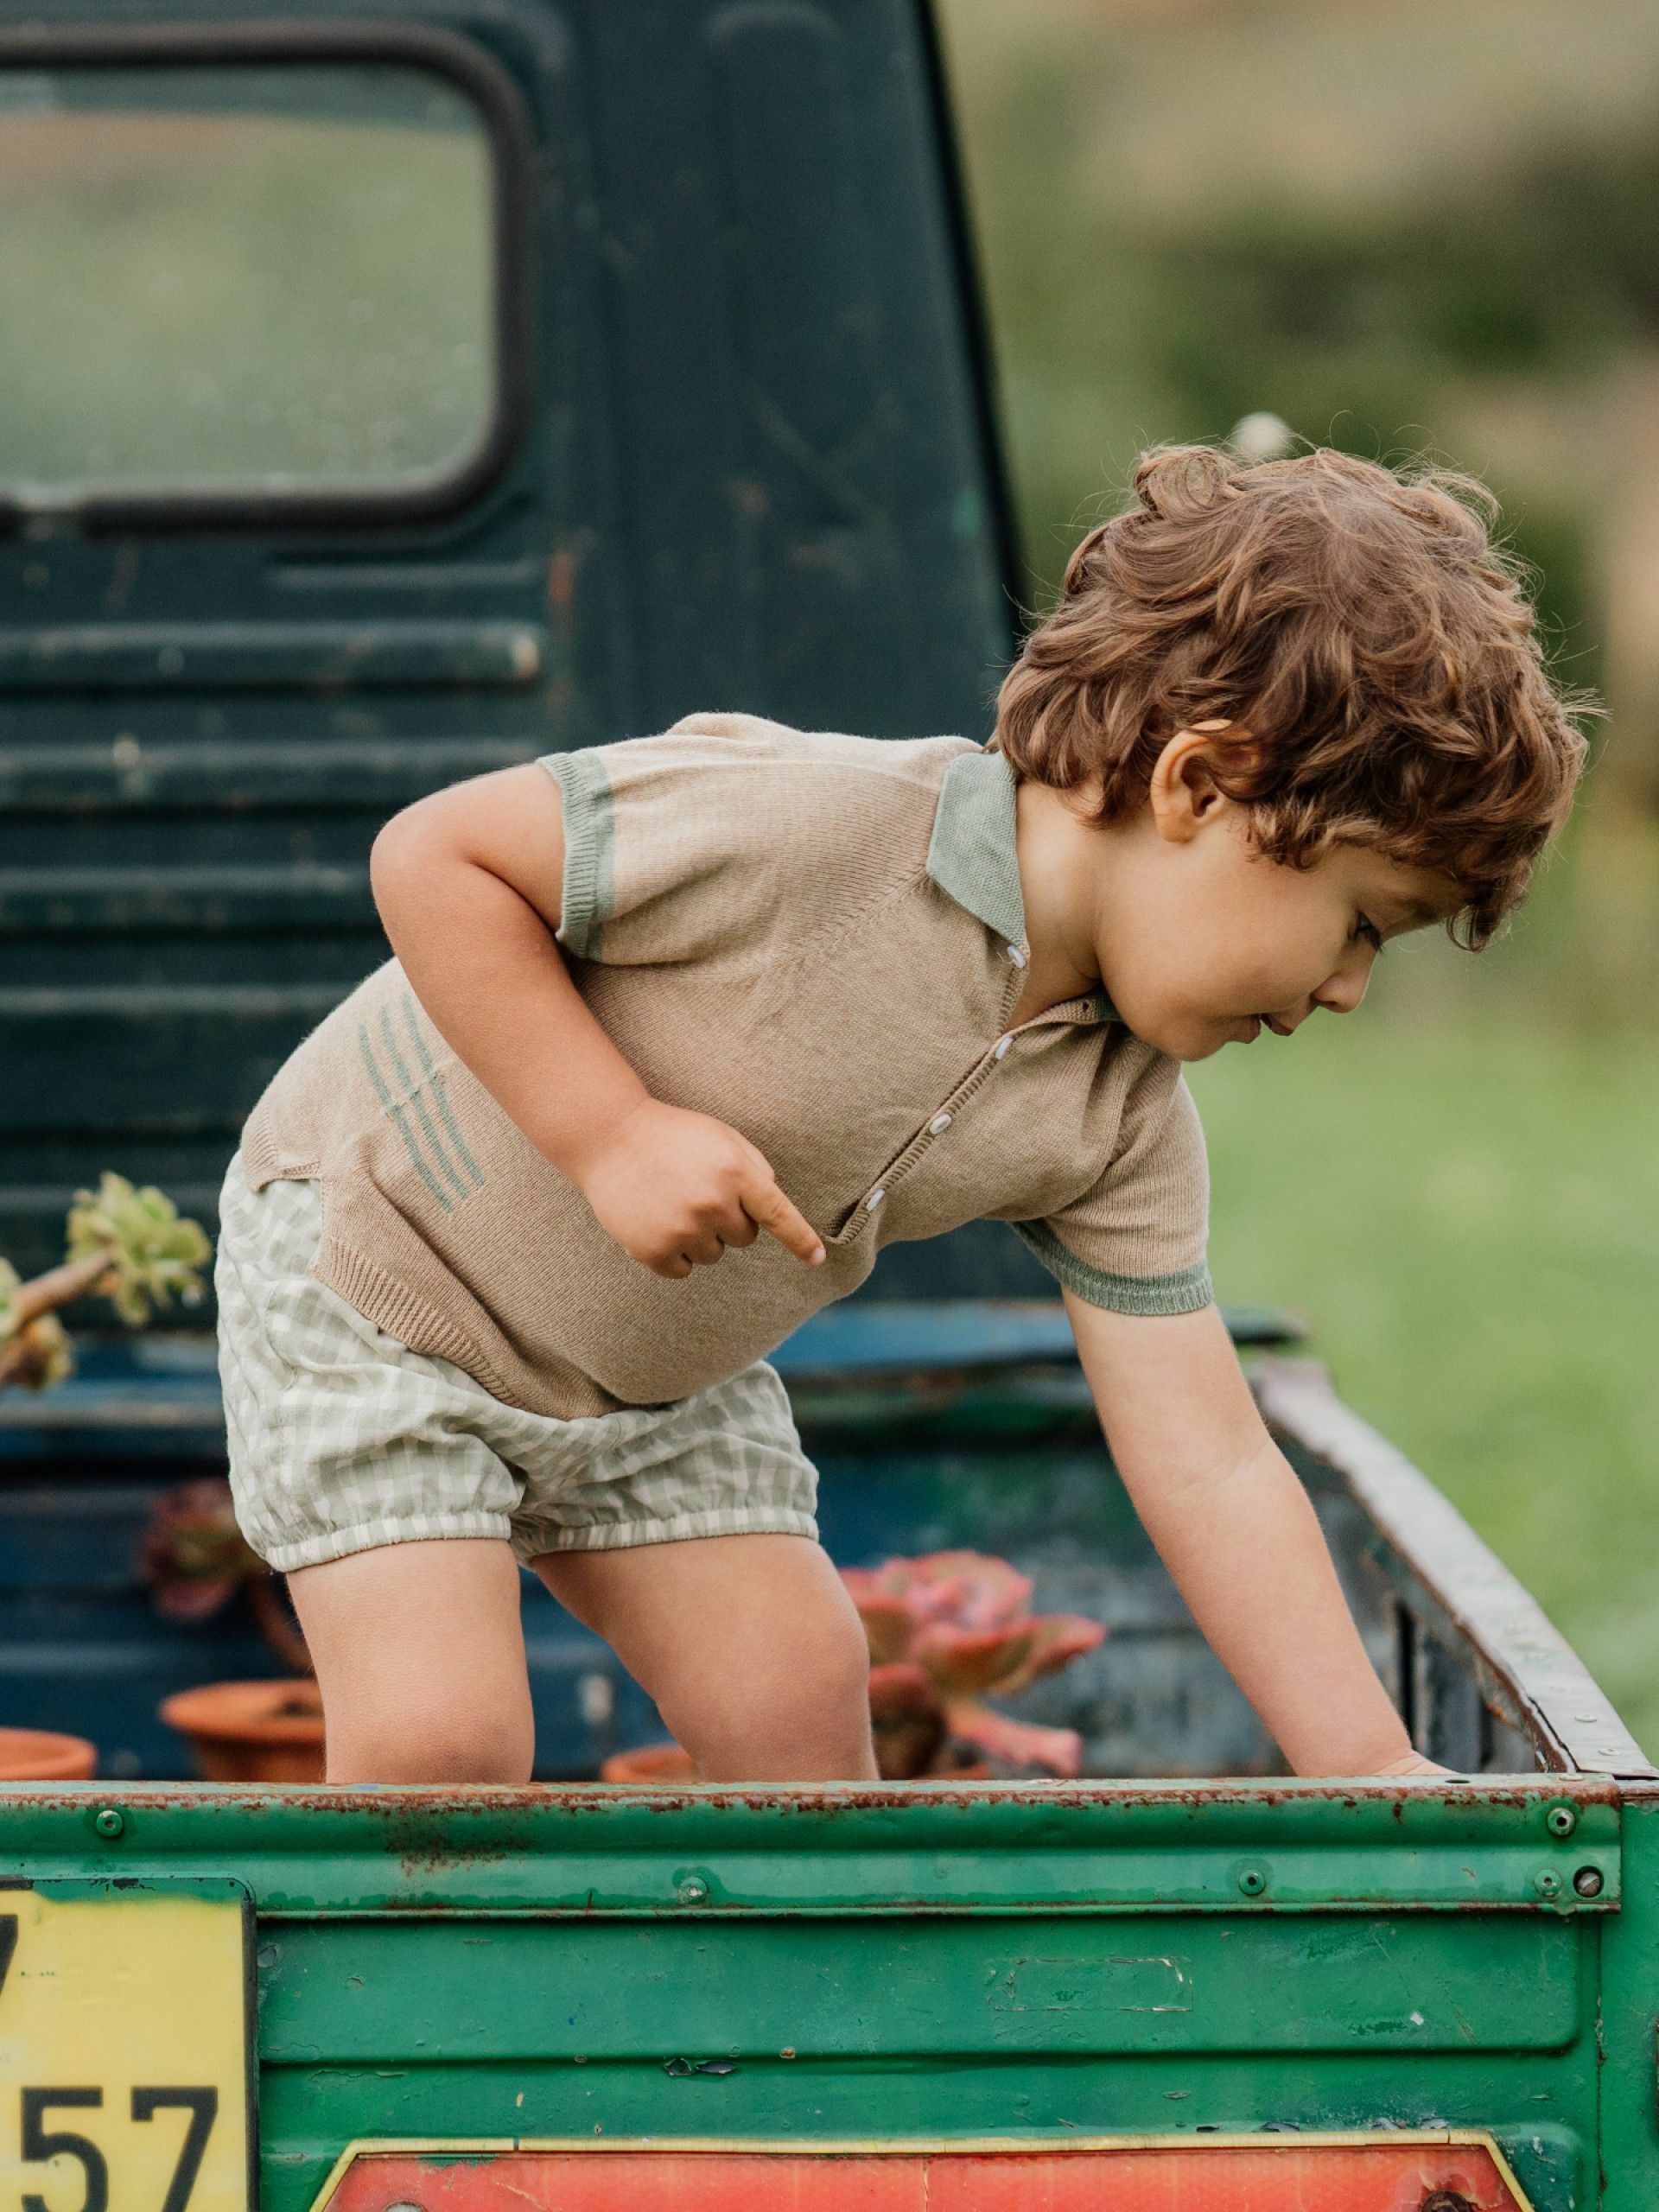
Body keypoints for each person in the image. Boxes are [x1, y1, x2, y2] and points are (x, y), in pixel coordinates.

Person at [215, 442, 1587, 1785]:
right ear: (1200, 785)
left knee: (800, 1730)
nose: (1348, 990)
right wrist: (610, 1131)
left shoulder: (1119, 1120)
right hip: (380, 1275)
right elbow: (438, 854)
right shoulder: (818, 831)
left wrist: (1363, 1760)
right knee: (440, 1749)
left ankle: (749, 2020)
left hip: (648, 1377)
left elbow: (1211, 1456)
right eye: (1360, 923)